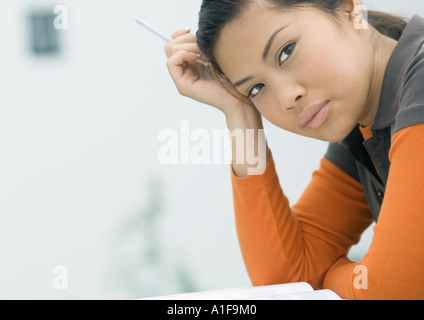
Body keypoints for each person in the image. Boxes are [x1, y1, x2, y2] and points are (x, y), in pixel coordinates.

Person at [164, 0, 424, 299]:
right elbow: (288, 280)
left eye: (286, 52)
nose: (288, 98)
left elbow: (388, 291)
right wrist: (240, 114)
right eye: (256, 89)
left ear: (348, 8)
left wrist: (338, 280)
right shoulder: (365, 125)